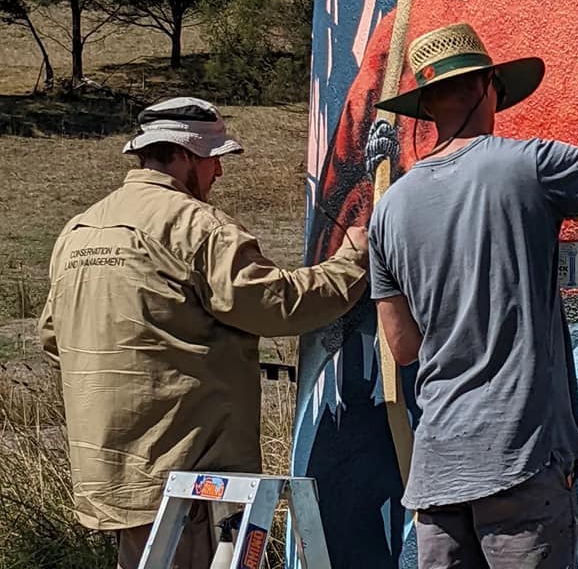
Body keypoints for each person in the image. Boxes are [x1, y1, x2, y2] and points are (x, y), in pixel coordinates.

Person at [369, 23, 578, 569]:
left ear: (426, 105)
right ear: (489, 85)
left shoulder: (390, 210)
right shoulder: (529, 166)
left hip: (438, 465)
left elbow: (402, 347)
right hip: (520, 452)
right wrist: (573, 203)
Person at [38, 96, 369, 569]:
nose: (219, 173)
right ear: (186, 156)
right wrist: (350, 263)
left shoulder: (79, 231)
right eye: (214, 160)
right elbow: (275, 305)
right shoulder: (195, 225)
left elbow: (54, 339)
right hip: (186, 472)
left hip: (112, 474)